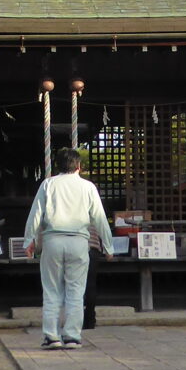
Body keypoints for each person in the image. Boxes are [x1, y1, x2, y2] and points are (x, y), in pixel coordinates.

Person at [24, 147, 112, 349]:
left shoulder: (48, 184)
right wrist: (108, 246)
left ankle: (52, 336)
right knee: (76, 291)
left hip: (53, 240)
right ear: (78, 166)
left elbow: (35, 214)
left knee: (52, 291)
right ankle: (72, 336)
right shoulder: (88, 187)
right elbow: (99, 218)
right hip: (79, 241)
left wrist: (29, 240)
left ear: (57, 166)